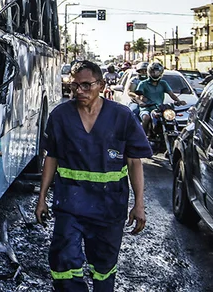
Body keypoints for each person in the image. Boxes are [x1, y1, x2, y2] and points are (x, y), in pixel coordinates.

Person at [35, 60, 152, 291]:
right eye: (74, 86)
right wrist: (42, 199)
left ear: (101, 84)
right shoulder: (60, 116)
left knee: (104, 267)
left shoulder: (122, 116)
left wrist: (139, 204)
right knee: (63, 263)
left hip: (109, 208)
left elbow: (133, 162)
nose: (79, 91)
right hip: (70, 205)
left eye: (86, 85)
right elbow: (51, 158)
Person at [135, 62, 185, 133]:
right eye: (152, 72)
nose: (155, 74)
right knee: (146, 118)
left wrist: (179, 101)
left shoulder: (163, 83)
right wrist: (140, 102)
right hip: (147, 108)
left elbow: (172, 94)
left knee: (172, 118)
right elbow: (137, 96)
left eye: (157, 72)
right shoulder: (143, 83)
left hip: (159, 108)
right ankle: (143, 136)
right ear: (149, 72)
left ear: (161, 73)